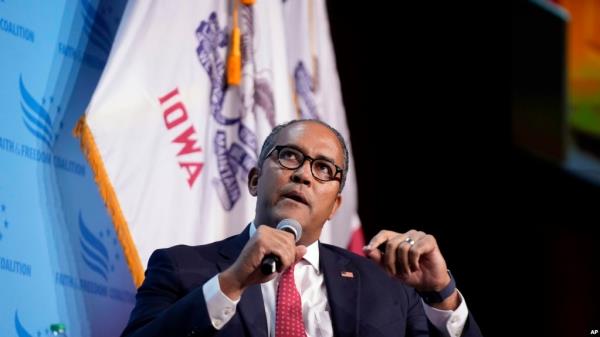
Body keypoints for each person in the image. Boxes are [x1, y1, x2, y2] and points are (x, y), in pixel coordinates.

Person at [121, 119, 483, 337]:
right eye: (289, 155)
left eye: (324, 168)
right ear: (254, 179)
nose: (303, 174)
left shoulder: (387, 289)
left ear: (334, 206)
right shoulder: (182, 268)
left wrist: (441, 294)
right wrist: (232, 282)